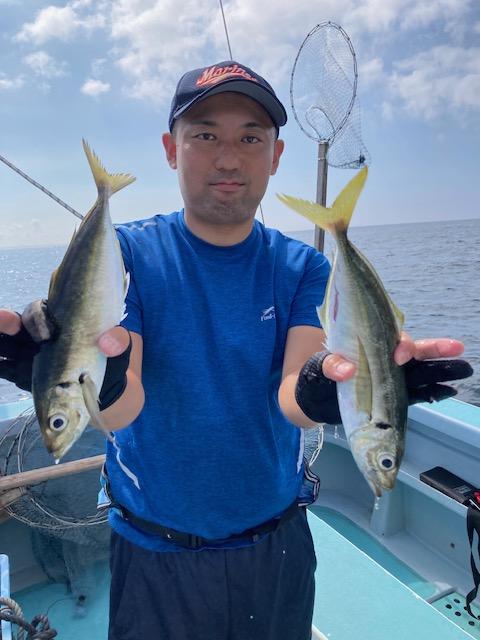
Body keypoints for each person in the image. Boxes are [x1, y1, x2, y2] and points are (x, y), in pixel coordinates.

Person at [0, 60, 473, 640]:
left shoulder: (303, 267)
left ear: (275, 156)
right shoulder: (126, 255)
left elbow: (294, 396)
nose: (228, 158)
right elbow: (124, 408)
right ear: (171, 150)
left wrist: (324, 386)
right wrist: (94, 375)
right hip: (152, 549)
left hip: (275, 544)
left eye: (250, 138)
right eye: (205, 135)